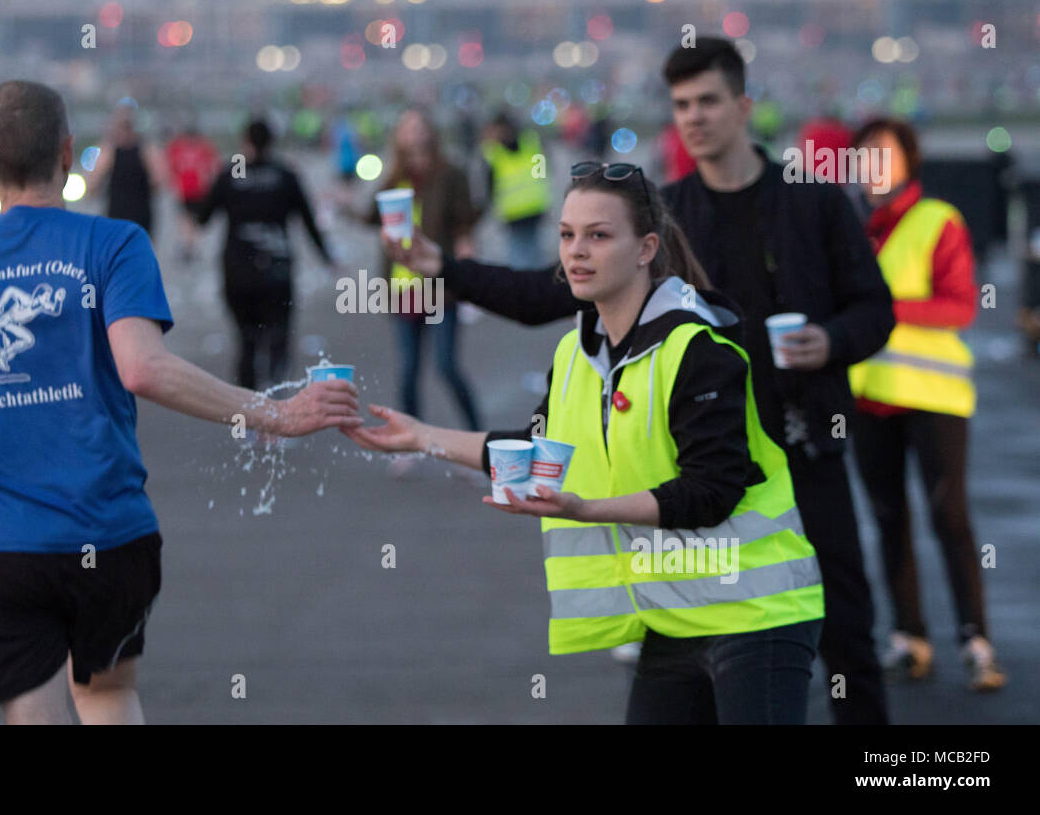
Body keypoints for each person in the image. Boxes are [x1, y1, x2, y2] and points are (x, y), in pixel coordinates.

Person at [382, 38, 895, 725]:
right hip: (694, 487)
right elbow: (548, 293)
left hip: (798, 442)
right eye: (680, 104)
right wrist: (444, 273)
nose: (693, 117)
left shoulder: (809, 200)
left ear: (743, 106)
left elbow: (876, 307)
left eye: (708, 100)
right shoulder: (663, 207)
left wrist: (830, 340)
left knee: (847, 633)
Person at [0, 81, 362, 725]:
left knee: (32, 701)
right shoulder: (115, 246)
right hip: (107, 530)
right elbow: (143, 368)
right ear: (69, 153)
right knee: (108, 692)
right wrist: (276, 412)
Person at [346, 162, 825, 724]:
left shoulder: (699, 348)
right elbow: (536, 448)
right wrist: (422, 437)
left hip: (755, 611)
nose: (577, 251)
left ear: (646, 248)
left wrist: (585, 509)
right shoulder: (577, 355)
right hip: (675, 615)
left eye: (598, 235)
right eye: (567, 235)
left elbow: (710, 492)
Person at [848, 117, 1005, 691]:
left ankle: (975, 641)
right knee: (889, 522)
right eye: (862, 157)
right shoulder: (855, 230)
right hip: (869, 400)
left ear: (909, 162)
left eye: (882, 155)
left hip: (934, 398)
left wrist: (881, 307)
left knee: (951, 519)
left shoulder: (937, 221)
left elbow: (960, 306)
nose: (871, 168)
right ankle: (909, 638)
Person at [362, 108, 484, 432]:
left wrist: (466, 248)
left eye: (419, 126)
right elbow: (370, 217)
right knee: (408, 370)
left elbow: (465, 220)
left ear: (430, 132)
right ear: (398, 137)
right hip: (402, 289)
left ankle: (477, 437)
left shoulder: (450, 174)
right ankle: (408, 442)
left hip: (440, 287)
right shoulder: (393, 178)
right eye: (406, 127)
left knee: (446, 365)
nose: (413, 132)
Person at [197, 118, 332, 390]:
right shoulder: (285, 174)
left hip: (237, 271)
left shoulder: (230, 173)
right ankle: (276, 396)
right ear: (272, 142)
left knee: (247, 341)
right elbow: (308, 221)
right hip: (277, 271)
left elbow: (203, 217)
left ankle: (250, 406)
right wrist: (327, 257)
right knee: (277, 337)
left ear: (245, 141)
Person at [480, 113, 553, 270]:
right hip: (531, 207)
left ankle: (526, 290)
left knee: (520, 256)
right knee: (532, 254)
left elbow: (490, 186)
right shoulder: (531, 142)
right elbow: (542, 171)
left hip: (518, 210)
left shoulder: (493, 152)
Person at [88, 104, 167, 236]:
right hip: (135, 211)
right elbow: (158, 179)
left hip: (124, 211)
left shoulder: (110, 150)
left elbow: (93, 181)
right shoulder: (145, 149)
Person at [164, 122, 219, 261]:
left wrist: (172, 183)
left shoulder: (177, 147)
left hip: (187, 190)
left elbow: (169, 167)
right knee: (191, 219)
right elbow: (214, 166)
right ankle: (191, 245)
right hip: (195, 190)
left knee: (187, 219)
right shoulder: (204, 147)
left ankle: (189, 245)